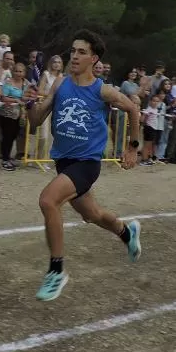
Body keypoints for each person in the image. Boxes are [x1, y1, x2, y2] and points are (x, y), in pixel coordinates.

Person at [23, 30, 142, 302]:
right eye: (73, 51)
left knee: (48, 200)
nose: (74, 56)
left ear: (94, 58)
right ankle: (127, 232)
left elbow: (134, 109)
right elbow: (36, 121)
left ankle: (56, 272)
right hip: (63, 162)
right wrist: (30, 102)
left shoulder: (103, 90)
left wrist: (132, 147)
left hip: (87, 163)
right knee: (93, 215)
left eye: (81, 52)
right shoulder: (60, 84)